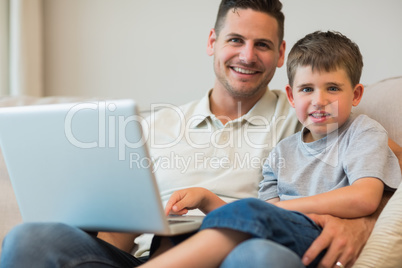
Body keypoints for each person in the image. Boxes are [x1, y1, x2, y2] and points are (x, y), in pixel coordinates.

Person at [1, 1, 400, 267]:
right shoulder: (153, 125)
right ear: (213, 43)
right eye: (235, 40)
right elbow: (120, 232)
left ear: (280, 55)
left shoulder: (305, 112)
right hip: (155, 254)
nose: (247, 55)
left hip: (240, 254)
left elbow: (385, 158)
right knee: (30, 240)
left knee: (262, 256)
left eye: (262, 44)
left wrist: (364, 222)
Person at [140, 30, 402, 268]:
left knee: (250, 211)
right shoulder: (281, 152)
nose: (319, 100)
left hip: (322, 238)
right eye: (307, 89)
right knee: (217, 229)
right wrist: (207, 198)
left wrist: (284, 209)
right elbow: (258, 222)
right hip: (283, 237)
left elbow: (364, 198)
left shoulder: (363, 132)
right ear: (291, 96)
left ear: (356, 95)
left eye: (332, 88)